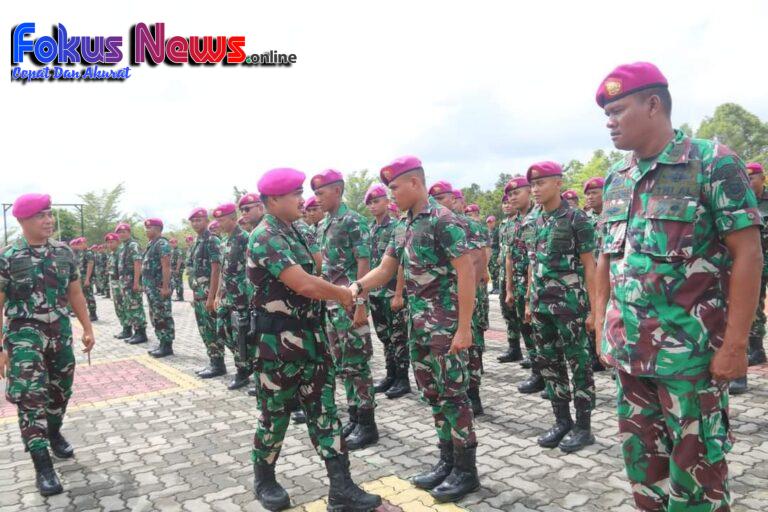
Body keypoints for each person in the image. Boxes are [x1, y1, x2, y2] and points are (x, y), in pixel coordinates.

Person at [594, 62, 762, 511]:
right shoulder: (616, 178)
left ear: (654, 104)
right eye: (605, 114)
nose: (609, 121)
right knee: (644, 476)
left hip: (691, 360)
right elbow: (606, 258)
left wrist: (736, 345)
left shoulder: (711, 161)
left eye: (617, 110)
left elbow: (748, 252)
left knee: (697, 480)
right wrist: (599, 324)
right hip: (629, 357)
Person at [246, 167, 381, 512]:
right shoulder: (264, 236)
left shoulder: (298, 231)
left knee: (326, 413)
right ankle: (265, 479)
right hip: (277, 346)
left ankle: (342, 488)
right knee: (274, 416)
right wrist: (344, 294)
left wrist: (343, 290)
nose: (301, 199)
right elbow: (304, 283)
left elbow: (317, 269)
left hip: (311, 340)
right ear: (274, 200)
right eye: (294, 194)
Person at [353, 156, 480, 503]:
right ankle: (446, 461)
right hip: (419, 326)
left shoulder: (444, 220)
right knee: (434, 396)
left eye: (395, 188)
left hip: (447, 326)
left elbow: (466, 272)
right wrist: (357, 288)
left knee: (454, 395)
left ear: (415, 183)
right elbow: (384, 268)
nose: (391, 195)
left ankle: (466, 472)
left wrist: (465, 328)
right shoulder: (402, 225)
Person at [0, 193, 95, 496]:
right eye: (40, 215)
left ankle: (53, 433)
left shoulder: (65, 252)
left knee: (61, 391)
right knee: (30, 397)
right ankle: (43, 465)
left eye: (49, 214)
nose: (48, 220)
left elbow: (76, 293)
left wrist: (87, 328)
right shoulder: (9, 256)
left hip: (60, 334)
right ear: (21, 220)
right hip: (23, 335)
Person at [525, 161, 597, 452]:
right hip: (541, 306)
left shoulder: (576, 218)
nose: (536, 189)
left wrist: (594, 309)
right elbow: (533, 263)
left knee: (578, 363)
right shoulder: (534, 221)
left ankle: (583, 426)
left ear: (558, 182)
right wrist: (530, 300)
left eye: (541, 182)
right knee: (549, 364)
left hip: (570, 306)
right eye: (532, 184)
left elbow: (590, 265)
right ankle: (561, 420)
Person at [313, 169, 379, 450]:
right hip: (331, 306)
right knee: (343, 365)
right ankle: (354, 415)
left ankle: (368, 424)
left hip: (351, 304)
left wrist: (361, 303)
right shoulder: (324, 223)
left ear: (337, 190)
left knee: (358, 365)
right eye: (314, 193)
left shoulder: (353, 221)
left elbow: (364, 264)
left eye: (321, 193)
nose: (316, 199)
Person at [365, 184, 410, 399]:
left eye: (376, 201)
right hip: (376, 293)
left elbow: (400, 262)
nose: (373, 206)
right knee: (384, 336)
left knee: (399, 337)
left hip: (392, 292)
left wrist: (399, 293)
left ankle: (403, 379)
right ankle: (390, 375)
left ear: (386, 202)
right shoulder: (371, 229)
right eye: (370, 203)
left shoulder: (397, 227)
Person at [213, 203, 253, 390]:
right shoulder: (224, 242)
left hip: (242, 298)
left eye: (221, 220)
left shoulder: (245, 238)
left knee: (242, 336)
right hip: (227, 297)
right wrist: (217, 295)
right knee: (222, 331)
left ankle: (243, 371)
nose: (218, 223)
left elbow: (251, 270)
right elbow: (222, 270)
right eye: (217, 220)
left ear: (233, 218)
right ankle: (245, 363)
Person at [188, 208, 226, 378]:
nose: (196, 223)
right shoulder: (198, 241)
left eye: (199, 220)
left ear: (206, 220)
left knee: (212, 329)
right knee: (205, 329)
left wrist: (212, 297)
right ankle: (214, 362)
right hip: (199, 293)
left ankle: (218, 364)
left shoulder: (212, 240)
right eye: (193, 221)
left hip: (207, 294)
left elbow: (216, 270)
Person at [141, 218, 175, 358]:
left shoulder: (162, 244)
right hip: (151, 288)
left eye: (149, 228)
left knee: (163, 315)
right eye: (146, 228)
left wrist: (166, 287)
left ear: (157, 229)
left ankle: (167, 345)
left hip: (159, 288)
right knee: (155, 315)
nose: (147, 230)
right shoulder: (151, 244)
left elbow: (166, 266)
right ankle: (162, 342)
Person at [116, 223, 148, 344]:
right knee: (129, 306)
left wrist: (136, 282)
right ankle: (135, 332)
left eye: (124, 232)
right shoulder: (124, 246)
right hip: (125, 282)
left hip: (131, 281)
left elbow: (137, 263)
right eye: (119, 232)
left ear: (129, 233)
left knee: (135, 306)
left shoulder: (133, 245)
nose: (122, 234)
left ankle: (141, 333)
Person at [105, 233, 129, 338]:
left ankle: (128, 329)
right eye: (108, 243)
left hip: (120, 283)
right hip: (114, 283)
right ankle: (124, 328)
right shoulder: (111, 254)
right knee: (118, 306)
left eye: (112, 242)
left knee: (124, 306)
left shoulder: (120, 253)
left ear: (118, 242)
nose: (110, 244)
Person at [71, 237, 98, 321]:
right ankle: (87, 313)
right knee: (84, 295)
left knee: (89, 295)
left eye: (82, 243)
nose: (80, 245)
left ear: (85, 243)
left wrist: (87, 279)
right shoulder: (81, 253)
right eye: (79, 244)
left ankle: (93, 314)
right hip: (81, 277)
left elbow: (90, 265)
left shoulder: (88, 253)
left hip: (86, 277)